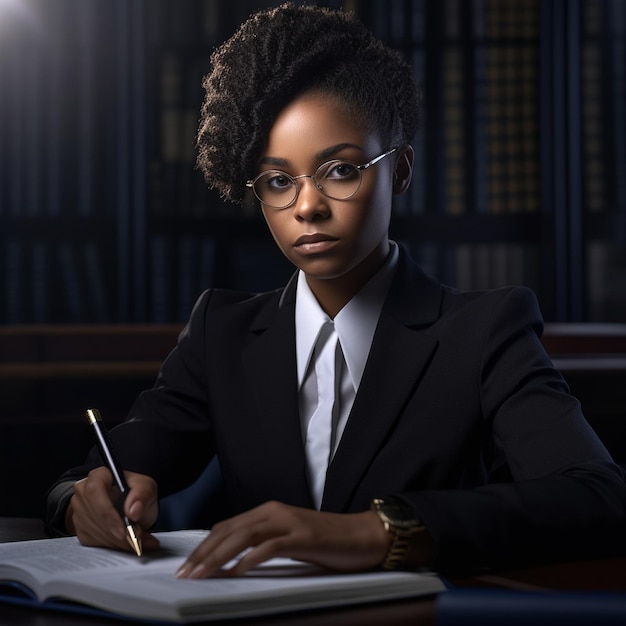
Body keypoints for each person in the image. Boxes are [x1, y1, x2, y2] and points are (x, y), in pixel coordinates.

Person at [45, 3, 625, 578]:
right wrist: (81, 502)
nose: (307, 206)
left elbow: (602, 495)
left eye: (341, 170)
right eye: (277, 182)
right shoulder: (221, 333)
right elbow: (90, 480)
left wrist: (379, 531)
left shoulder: (484, 331)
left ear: (399, 169)